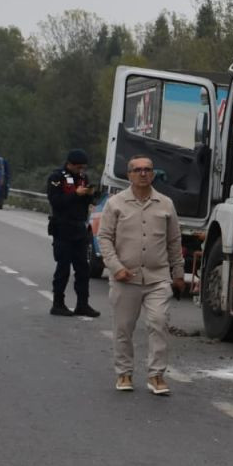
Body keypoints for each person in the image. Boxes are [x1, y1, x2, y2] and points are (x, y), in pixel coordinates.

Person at [96, 155, 185, 395]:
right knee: (123, 328)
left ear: (153, 174)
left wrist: (179, 274)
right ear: (129, 175)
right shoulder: (115, 204)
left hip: (158, 278)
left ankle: (156, 375)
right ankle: (124, 372)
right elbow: (104, 238)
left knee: (158, 323)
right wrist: (116, 267)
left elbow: (174, 241)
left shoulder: (166, 204)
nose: (143, 173)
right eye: (137, 170)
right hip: (126, 278)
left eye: (147, 170)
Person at [46, 148, 100, 317]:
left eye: (83, 167)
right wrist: (76, 195)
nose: (81, 171)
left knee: (83, 269)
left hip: (79, 228)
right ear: (69, 164)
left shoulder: (83, 178)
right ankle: (58, 303)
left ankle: (82, 304)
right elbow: (56, 201)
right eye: (78, 167)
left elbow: (90, 202)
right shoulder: (57, 178)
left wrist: (91, 195)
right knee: (63, 268)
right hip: (62, 228)